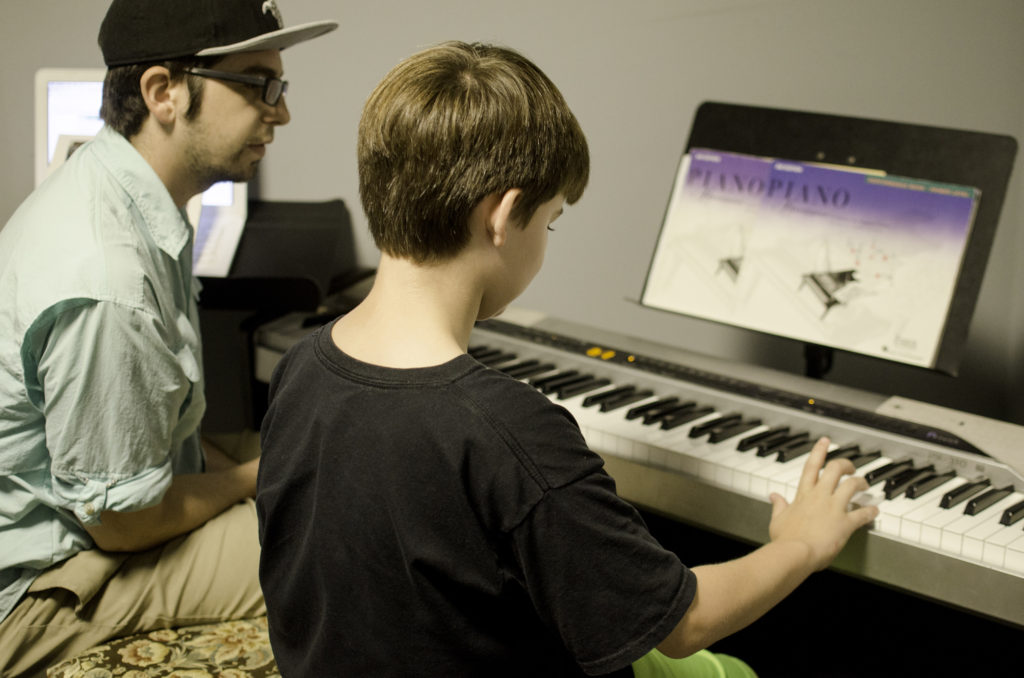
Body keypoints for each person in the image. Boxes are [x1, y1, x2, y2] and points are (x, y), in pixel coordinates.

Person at [256, 41, 879, 678]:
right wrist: (801, 542)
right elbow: (684, 624)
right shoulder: (506, 432)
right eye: (550, 221)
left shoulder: (301, 367)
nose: (546, 240)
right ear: (501, 216)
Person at [0, 1, 337, 674]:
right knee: (330, 540)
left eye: (282, 86)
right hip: (38, 587)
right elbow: (120, 522)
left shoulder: (122, 194)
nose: (281, 112)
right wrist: (255, 477)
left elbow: (160, 439)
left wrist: (256, 470)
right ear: (163, 93)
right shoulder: (108, 276)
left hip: (95, 515)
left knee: (324, 467)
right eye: (258, 84)